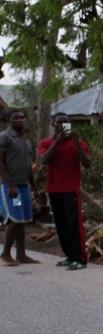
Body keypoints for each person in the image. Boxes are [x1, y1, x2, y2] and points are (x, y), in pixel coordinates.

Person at [38, 113, 92, 270]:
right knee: (61, 225)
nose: (62, 125)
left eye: (66, 123)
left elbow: (88, 163)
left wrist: (76, 145)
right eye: (59, 123)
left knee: (74, 224)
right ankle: (69, 256)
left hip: (71, 190)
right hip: (54, 189)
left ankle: (80, 259)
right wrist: (57, 142)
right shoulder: (46, 143)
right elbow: (44, 160)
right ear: (53, 124)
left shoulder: (78, 143)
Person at [0, 108, 39, 266]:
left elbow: (29, 167)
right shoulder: (4, 137)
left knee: (22, 221)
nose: (20, 120)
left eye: (22, 117)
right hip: (10, 186)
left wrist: (35, 188)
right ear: (9, 120)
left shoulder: (26, 140)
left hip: (24, 186)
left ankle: (21, 255)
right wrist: (10, 185)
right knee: (14, 220)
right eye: (16, 118)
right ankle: (5, 254)